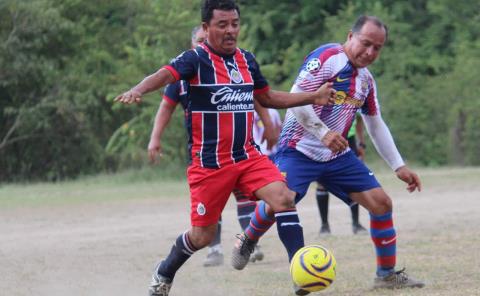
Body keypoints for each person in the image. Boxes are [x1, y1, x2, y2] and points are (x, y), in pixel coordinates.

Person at [114, 1, 336, 295]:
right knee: (202, 236)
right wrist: (138, 90)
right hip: (209, 165)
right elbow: (164, 75)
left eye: (234, 24)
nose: (231, 30)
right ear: (206, 29)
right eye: (222, 25)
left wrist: (313, 97)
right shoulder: (195, 59)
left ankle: (301, 274)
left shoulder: (247, 60)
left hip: (248, 156)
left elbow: (268, 98)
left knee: (284, 197)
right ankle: (164, 271)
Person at [231, 15, 425, 294]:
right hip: (297, 149)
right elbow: (297, 97)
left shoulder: (366, 81)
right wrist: (322, 133)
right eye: (365, 43)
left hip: (336, 156)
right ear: (350, 36)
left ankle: (386, 275)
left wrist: (398, 165)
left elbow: (374, 122)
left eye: (377, 48)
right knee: (281, 201)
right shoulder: (327, 58)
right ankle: (249, 238)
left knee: (381, 204)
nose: (370, 52)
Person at [147, 26, 267, 268]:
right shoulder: (182, 75)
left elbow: (256, 96)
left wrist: (267, 123)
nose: (205, 43)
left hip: (237, 147)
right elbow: (166, 107)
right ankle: (215, 248)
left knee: (246, 196)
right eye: (200, 41)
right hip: (205, 150)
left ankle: (249, 244)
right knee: (213, 202)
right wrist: (155, 138)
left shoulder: (231, 67)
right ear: (192, 45)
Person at [316, 114, 367, 235]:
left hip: (350, 140)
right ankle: (324, 226)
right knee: (322, 183)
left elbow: (360, 118)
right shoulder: (328, 96)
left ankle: (356, 224)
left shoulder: (357, 97)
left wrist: (361, 142)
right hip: (326, 140)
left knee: (353, 183)